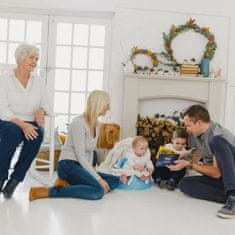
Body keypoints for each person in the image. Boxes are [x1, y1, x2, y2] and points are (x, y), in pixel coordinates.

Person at [29, 90, 119, 201]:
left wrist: (93, 174)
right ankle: (49, 191)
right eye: (107, 104)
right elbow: (80, 156)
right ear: (99, 104)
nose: (108, 108)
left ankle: (69, 185)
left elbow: (89, 153)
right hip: (68, 165)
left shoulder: (97, 125)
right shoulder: (79, 123)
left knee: (115, 180)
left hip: (81, 166)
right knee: (97, 191)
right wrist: (98, 179)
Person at [0, 43, 51, 198]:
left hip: (31, 121)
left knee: (37, 134)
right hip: (8, 121)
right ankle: (1, 177)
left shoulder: (39, 81)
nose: (35, 62)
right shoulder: (5, 79)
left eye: (37, 59)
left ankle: (15, 180)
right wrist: (22, 125)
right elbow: (2, 109)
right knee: (13, 133)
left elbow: (46, 103)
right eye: (32, 58)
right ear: (20, 58)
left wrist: (41, 111)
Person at [169, 105, 235, 219]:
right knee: (185, 184)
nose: (186, 128)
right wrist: (183, 160)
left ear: (198, 123)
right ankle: (228, 197)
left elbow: (216, 173)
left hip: (231, 177)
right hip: (222, 179)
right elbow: (196, 154)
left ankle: (233, 196)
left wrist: (191, 164)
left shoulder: (218, 135)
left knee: (218, 141)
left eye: (188, 125)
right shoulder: (195, 134)